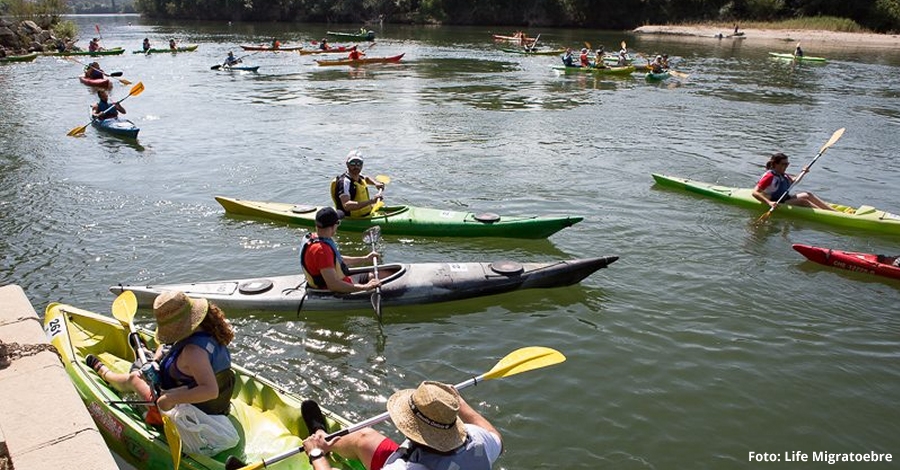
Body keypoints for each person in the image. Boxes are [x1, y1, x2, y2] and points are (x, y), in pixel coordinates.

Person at [84, 291, 238, 454]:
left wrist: (168, 398)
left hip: (190, 409)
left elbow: (210, 390)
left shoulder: (193, 353)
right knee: (152, 358)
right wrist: (156, 361)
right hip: (217, 405)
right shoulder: (208, 330)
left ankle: (105, 374)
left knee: (134, 377)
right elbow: (168, 345)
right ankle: (144, 351)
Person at [299, 381, 503, 470]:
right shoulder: (477, 440)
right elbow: (496, 437)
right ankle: (323, 437)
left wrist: (316, 456)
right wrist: (460, 403)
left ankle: (318, 446)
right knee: (364, 438)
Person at [299, 207, 382, 293]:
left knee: (373, 274)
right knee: (375, 276)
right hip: (335, 290)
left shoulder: (315, 238)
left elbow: (337, 260)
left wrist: (365, 258)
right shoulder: (321, 251)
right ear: (333, 226)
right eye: (338, 223)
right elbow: (334, 285)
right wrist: (365, 287)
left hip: (341, 280)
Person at [752, 152, 836, 211]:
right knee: (803, 201)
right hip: (776, 202)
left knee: (807, 195)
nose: (786, 166)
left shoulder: (782, 174)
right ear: (775, 164)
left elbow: (794, 181)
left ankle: (834, 212)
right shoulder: (769, 176)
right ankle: (828, 215)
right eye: (783, 164)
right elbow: (755, 192)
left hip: (784, 198)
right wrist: (769, 203)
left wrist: (803, 172)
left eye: (787, 164)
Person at [332, 150, 384, 218]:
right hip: (351, 218)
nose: (356, 166)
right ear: (347, 164)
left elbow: (366, 178)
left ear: (362, 165)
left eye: (359, 163)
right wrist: (371, 201)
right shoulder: (344, 182)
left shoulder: (359, 176)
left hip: (365, 214)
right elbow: (347, 205)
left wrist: (376, 183)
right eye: (353, 163)